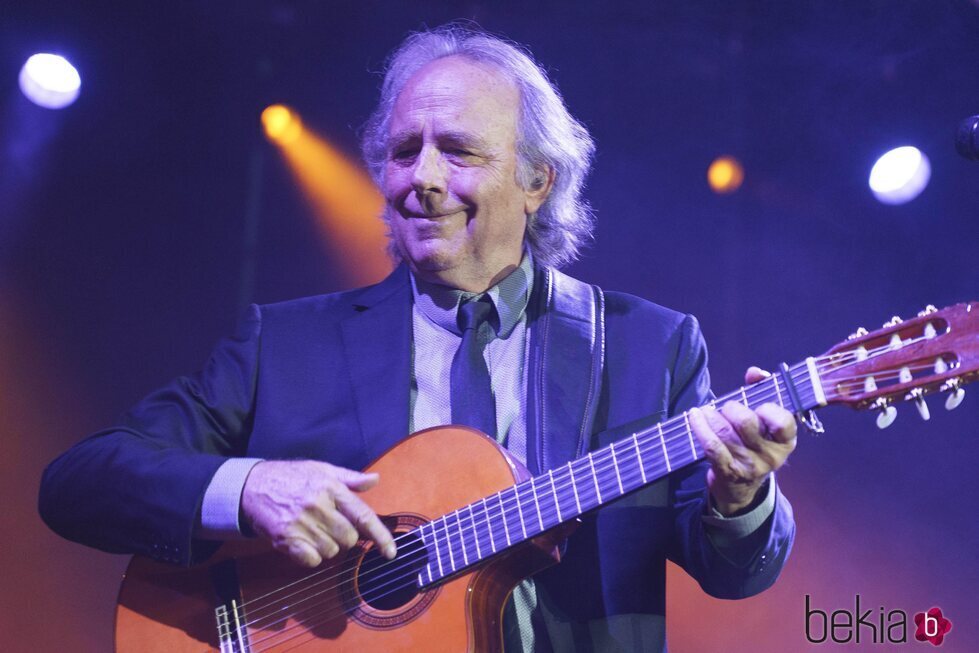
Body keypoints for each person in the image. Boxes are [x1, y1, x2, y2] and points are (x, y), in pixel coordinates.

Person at [40, 25, 797, 652]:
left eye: (458, 151)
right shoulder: (286, 344)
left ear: (538, 180)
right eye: (404, 150)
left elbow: (736, 573)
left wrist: (741, 493)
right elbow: (79, 482)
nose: (420, 178)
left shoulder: (648, 346)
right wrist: (249, 489)